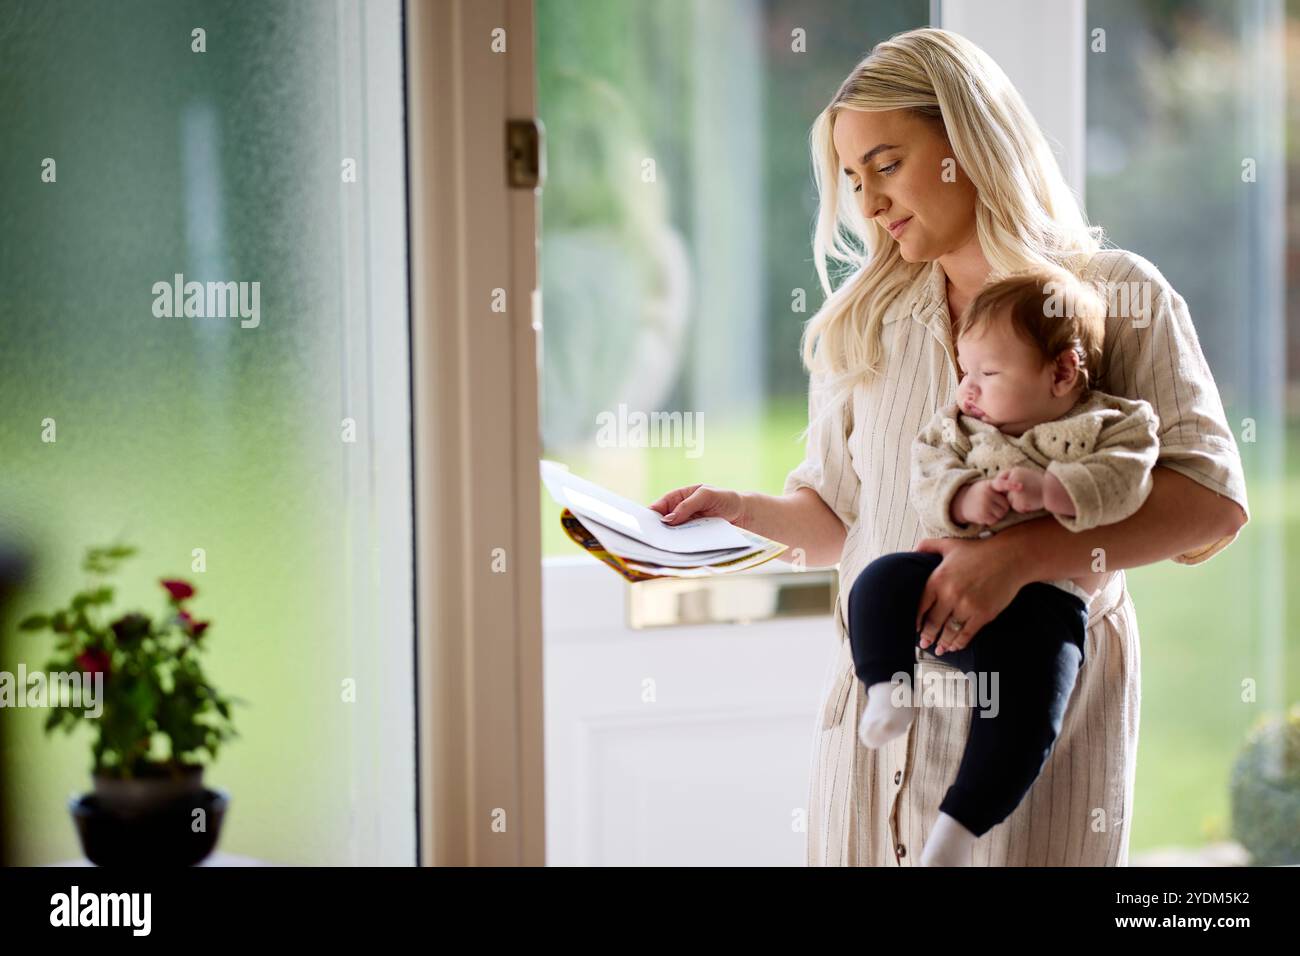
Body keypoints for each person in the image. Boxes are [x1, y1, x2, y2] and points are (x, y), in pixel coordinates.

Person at [648, 27, 1249, 866]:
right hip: (871, 743)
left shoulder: (1116, 296)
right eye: (854, 180)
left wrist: (1020, 557)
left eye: (887, 165)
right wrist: (740, 512)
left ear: (966, 141)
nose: (869, 203)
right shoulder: (866, 323)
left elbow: (1212, 506)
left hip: (1034, 742)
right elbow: (836, 519)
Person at [847, 266, 1160, 866]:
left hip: (1046, 605)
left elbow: (1126, 482)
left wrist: (1051, 491)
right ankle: (888, 686)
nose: (967, 390)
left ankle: (958, 831)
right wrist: (965, 499)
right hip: (945, 579)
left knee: (1030, 713)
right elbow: (928, 473)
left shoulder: (1110, 424)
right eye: (965, 373)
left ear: (1062, 372)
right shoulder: (962, 427)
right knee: (879, 581)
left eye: (986, 375)